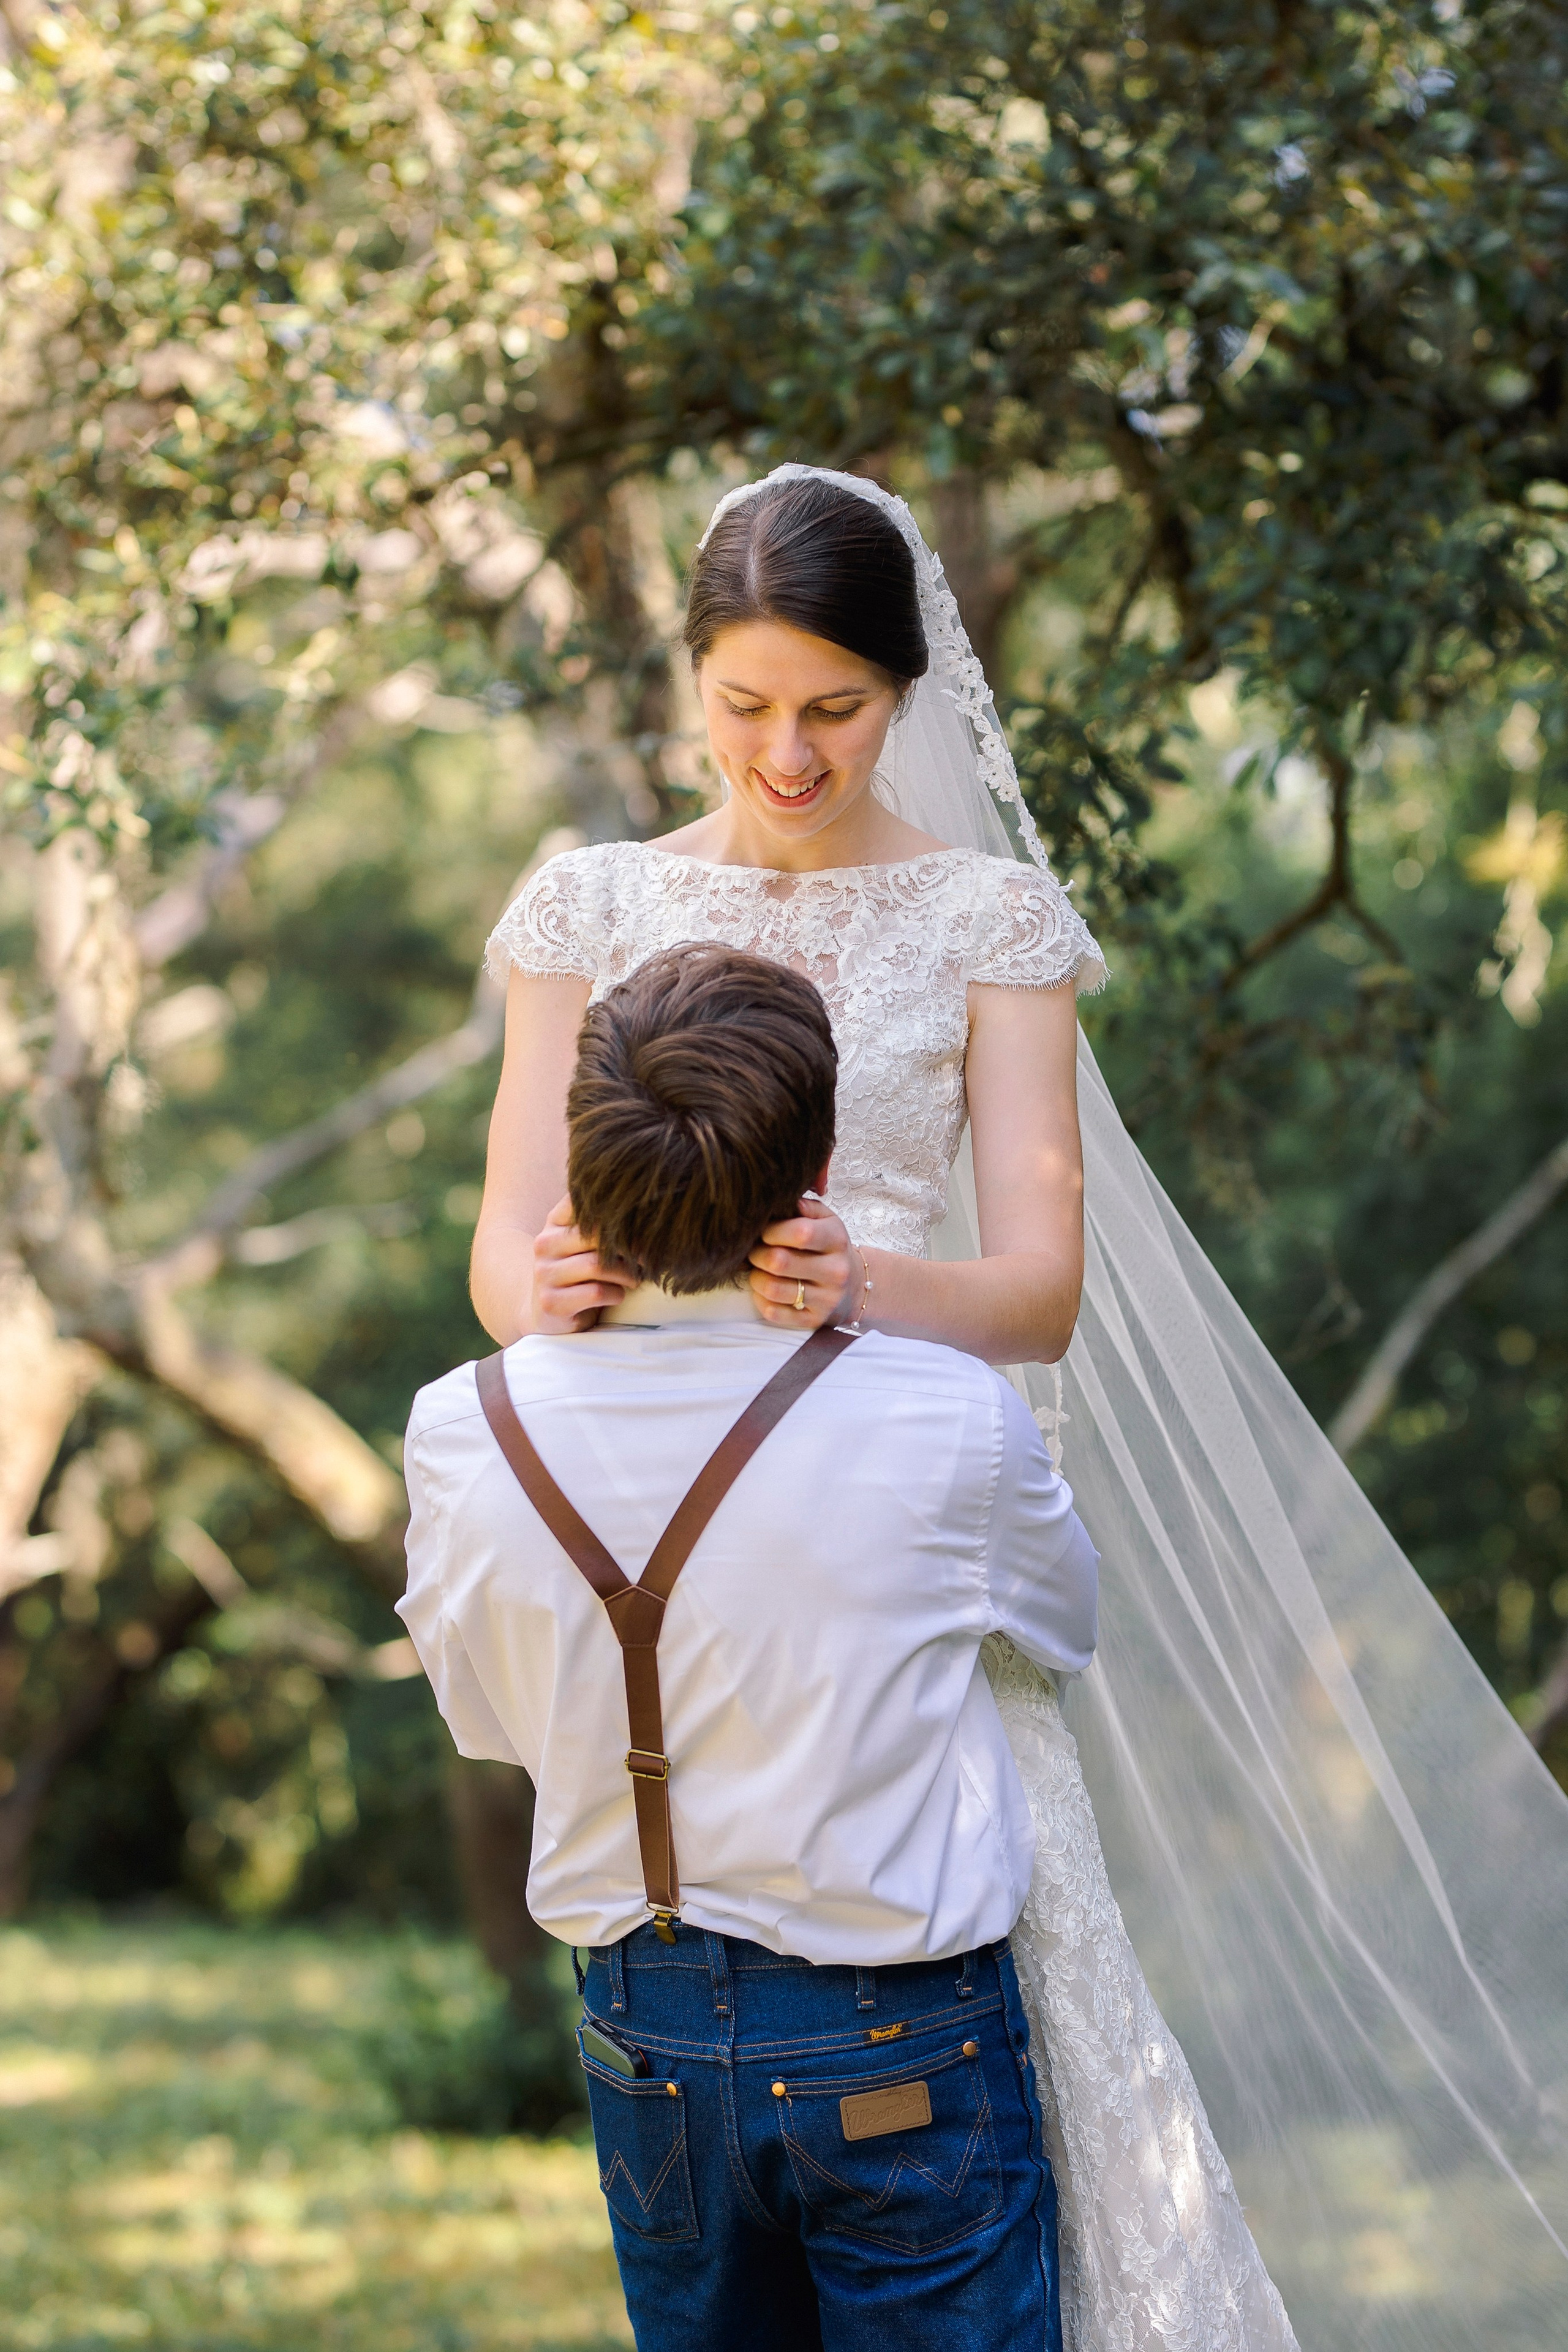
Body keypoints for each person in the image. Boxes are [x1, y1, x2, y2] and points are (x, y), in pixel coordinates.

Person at [467, 469, 1568, 2350]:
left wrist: (864, 1285)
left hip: (908, 1525)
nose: (788, 753)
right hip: (663, 1529)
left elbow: (1039, 1290)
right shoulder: (591, 907)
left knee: (1021, 2038)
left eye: (834, 707)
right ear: (693, 685)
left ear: (909, 689)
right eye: (745, 708)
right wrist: (546, 1295)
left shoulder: (989, 915)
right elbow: (500, 1252)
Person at [399, 940, 1101, 2351]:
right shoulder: (943, 1415)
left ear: (578, 1169)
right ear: (818, 1169)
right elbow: (1060, 1628)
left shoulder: (464, 1424)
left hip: (640, 2028)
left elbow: (484, 1719)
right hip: (900, 2037)